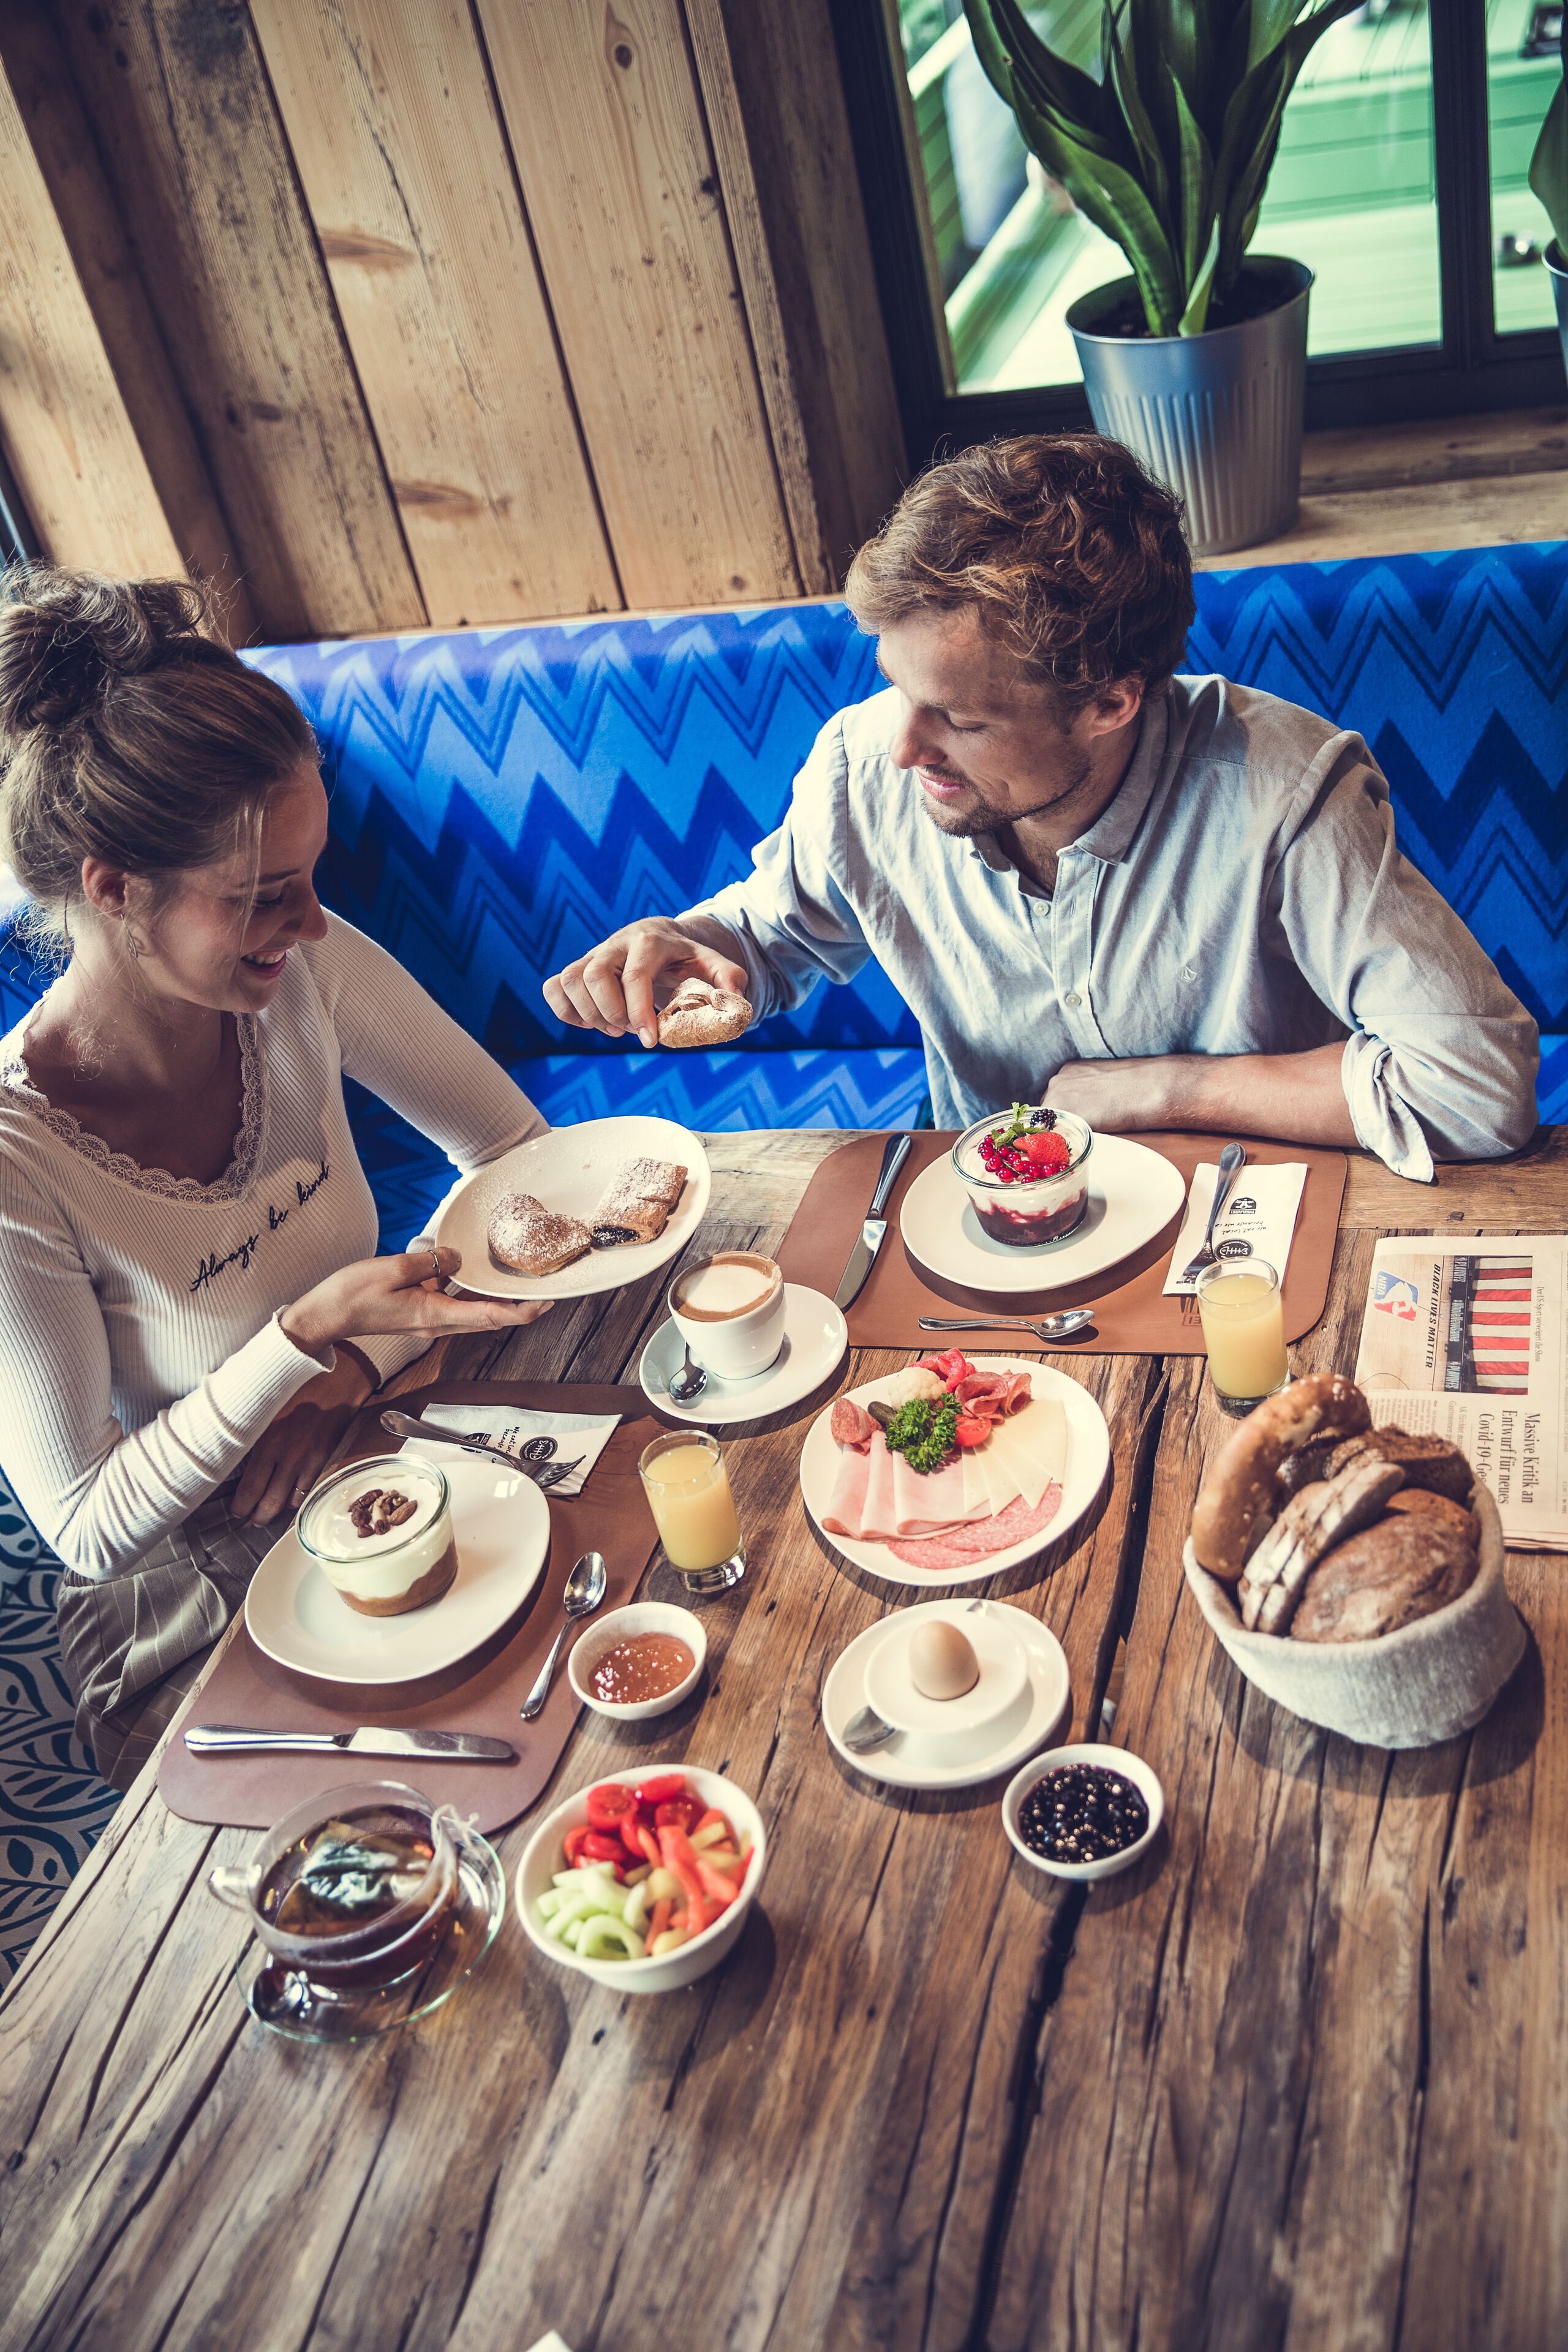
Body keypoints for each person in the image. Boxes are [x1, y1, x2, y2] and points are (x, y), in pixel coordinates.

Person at [546, 434, 1537, 1179]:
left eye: (960, 720)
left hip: (1253, 1210)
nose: (904, 746)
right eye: (899, 691)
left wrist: (1169, 1087)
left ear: (1111, 702)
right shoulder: (862, 763)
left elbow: (1479, 1085)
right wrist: (689, 945)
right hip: (985, 1225)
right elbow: (771, 942)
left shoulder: (1287, 789)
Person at [0, 568, 551, 1787]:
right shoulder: (14, 1160)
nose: (307, 925)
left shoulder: (299, 969)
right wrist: (300, 1340)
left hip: (371, 1450)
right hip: (181, 1597)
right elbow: (88, 1525)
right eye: (261, 896)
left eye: (310, 878)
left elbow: (512, 1152)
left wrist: (350, 1365)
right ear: (114, 888)